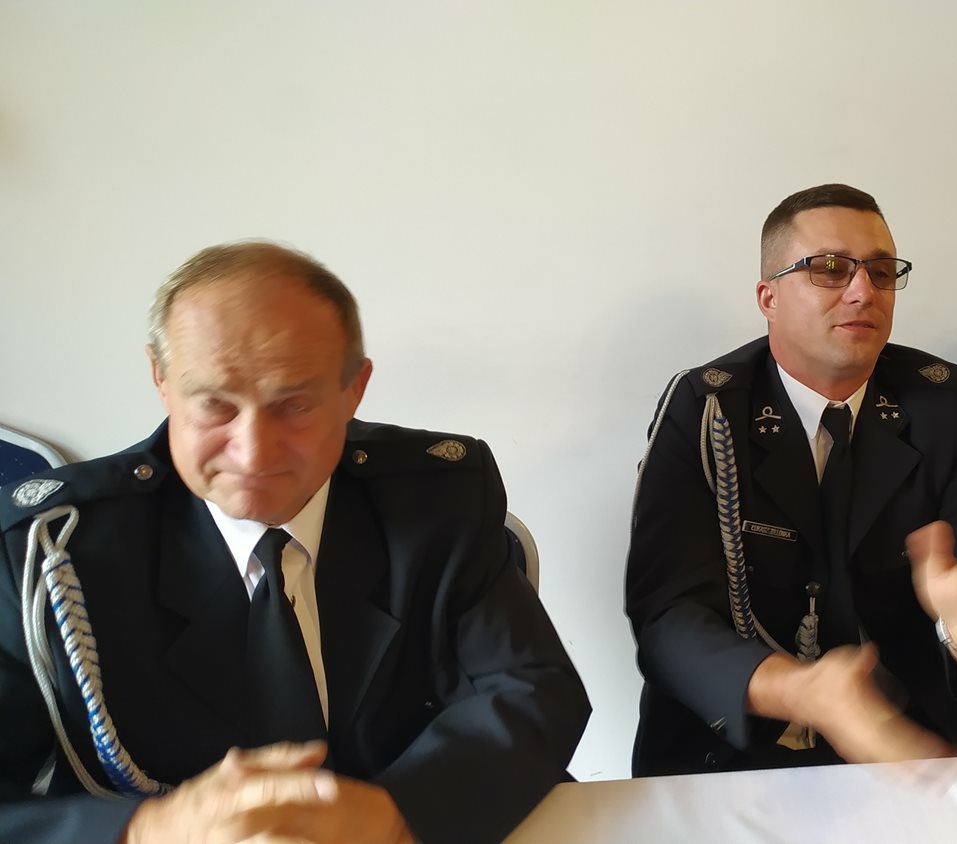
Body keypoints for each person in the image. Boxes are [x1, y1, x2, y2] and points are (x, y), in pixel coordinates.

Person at [0, 242, 590, 844]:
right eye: (215, 405)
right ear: (161, 379)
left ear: (354, 388)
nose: (254, 452)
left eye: (294, 404)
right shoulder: (52, 552)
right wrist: (145, 830)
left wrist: (402, 814)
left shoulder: (435, 498)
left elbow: (533, 688)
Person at [625, 183, 957, 777]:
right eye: (829, 269)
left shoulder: (937, 400)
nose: (862, 291)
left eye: (881, 271)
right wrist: (801, 692)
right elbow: (668, 615)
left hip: (903, 746)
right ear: (769, 297)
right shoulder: (706, 407)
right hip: (729, 754)